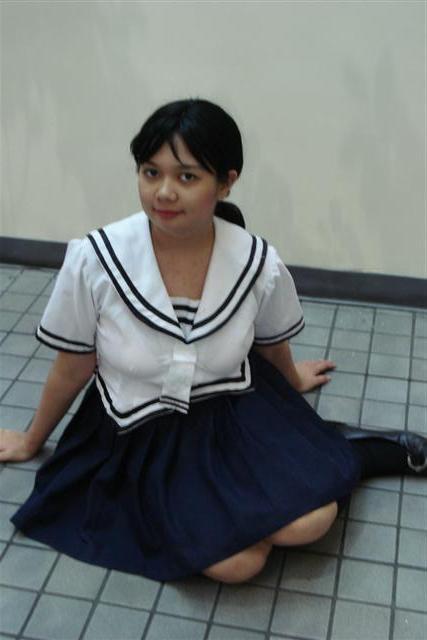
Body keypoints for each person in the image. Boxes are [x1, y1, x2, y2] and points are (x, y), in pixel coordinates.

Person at [1, 99, 425, 585]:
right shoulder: (95, 259)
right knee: (239, 565)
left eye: (187, 177)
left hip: (232, 413)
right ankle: (314, 457)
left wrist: (291, 380)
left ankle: (350, 445)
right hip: (136, 432)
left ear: (226, 183)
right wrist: (31, 440)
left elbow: (269, 345)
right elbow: (73, 365)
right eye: (151, 172)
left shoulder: (257, 262)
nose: (164, 192)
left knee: (312, 523)